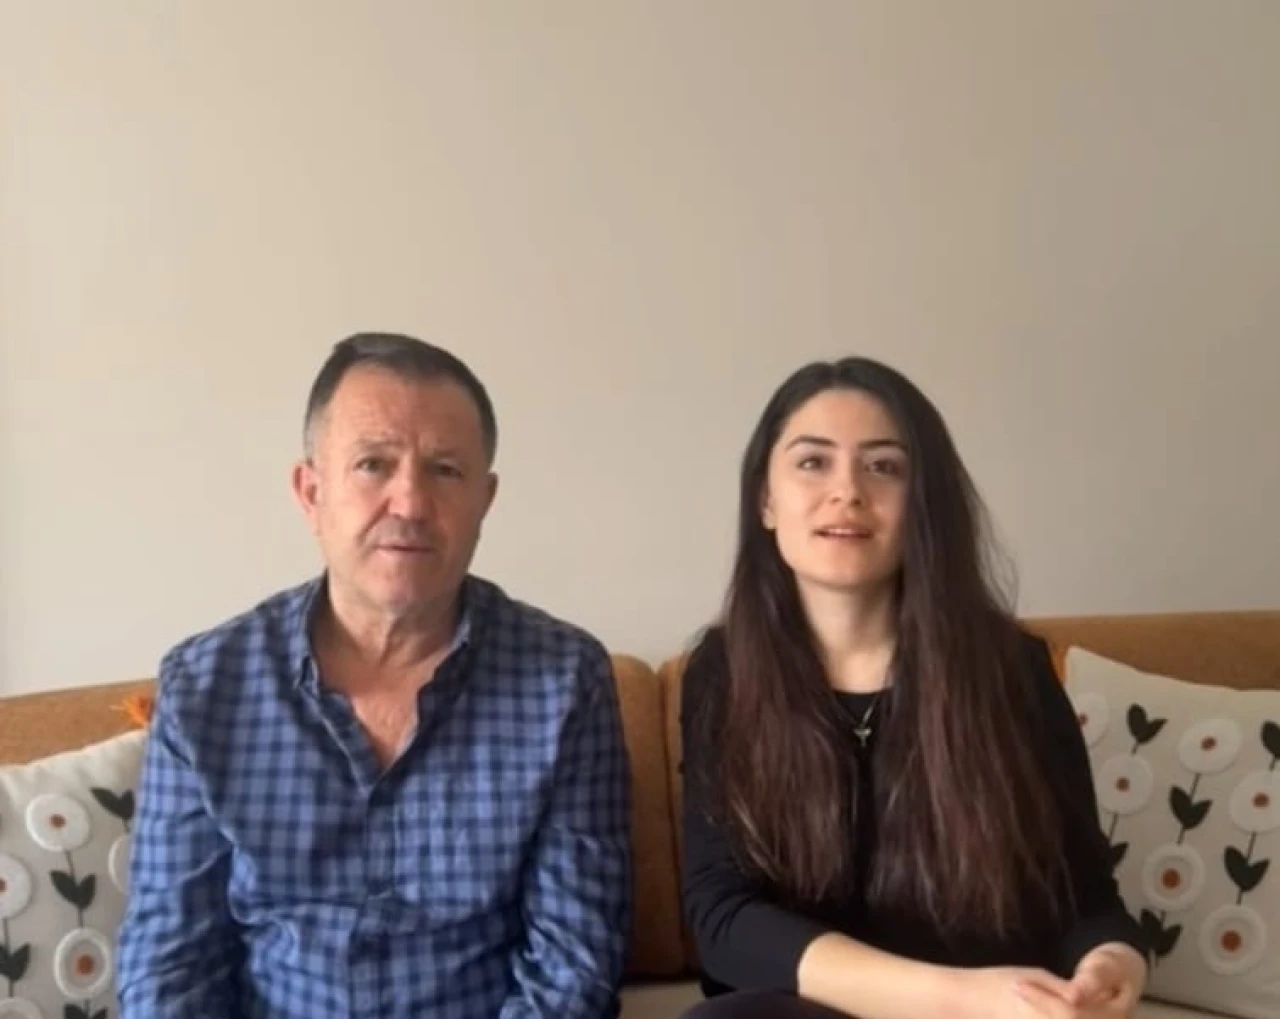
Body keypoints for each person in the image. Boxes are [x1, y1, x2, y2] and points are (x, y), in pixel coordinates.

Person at [116, 332, 632, 1019]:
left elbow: (574, 964)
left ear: (485, 499)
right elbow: (169, 965)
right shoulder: (207, 688)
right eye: (373, 464)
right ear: (311, 492)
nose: (410, 502)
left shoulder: (564, 683)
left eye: (445, 470)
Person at [678, 357, 1149, 1019]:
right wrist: (959, 998)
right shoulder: (723, 673)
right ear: (766, 500)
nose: (847, 491)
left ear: (923, 503)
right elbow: (724, 919)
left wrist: (1112, 963)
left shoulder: (1011, 670)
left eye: (883, 466)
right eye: (813, 462)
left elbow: (1088, 900)